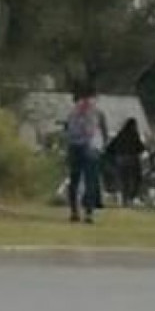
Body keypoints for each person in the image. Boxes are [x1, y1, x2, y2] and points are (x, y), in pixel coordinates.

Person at [64, 91, 105, 223]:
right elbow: (102, 131)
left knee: (75, 179)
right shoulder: (96, 113)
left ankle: (75, 211)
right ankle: (88, 212)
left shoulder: (72, 113)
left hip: (76, 146)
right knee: (89, 180)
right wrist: (101, 146)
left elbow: (67, 131)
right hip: (90, 147)